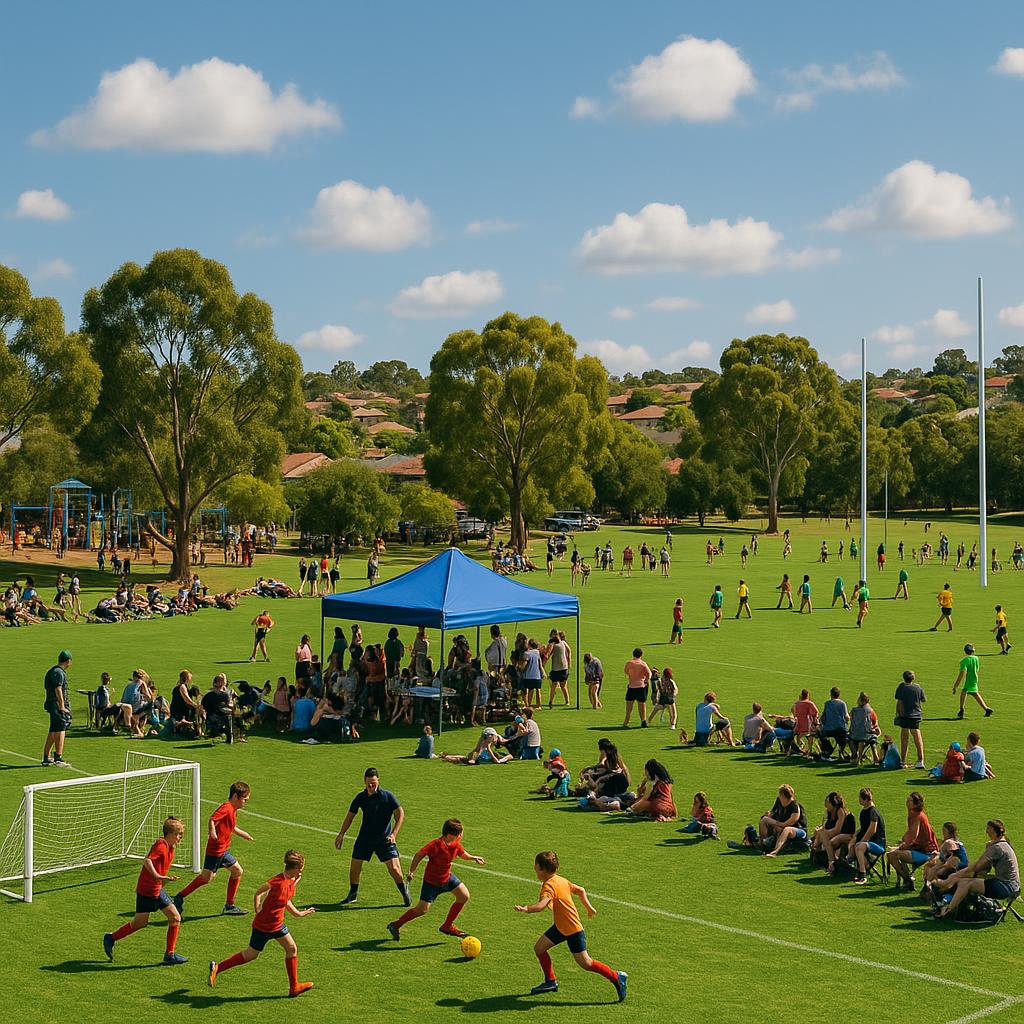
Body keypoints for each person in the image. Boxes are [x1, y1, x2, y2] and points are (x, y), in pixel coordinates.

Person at [514, 850, 627, 1001]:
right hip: (561, 927)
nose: (535, 870)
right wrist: (588, 908)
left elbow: (541, 905)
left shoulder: (549, 886)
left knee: (586, 963)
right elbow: (581, 890)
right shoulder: (561, 880)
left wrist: (526, 908)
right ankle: (550, 981)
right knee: (539, 948)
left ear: (541, 868)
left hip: (573, 930)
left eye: (535, 868)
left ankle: (617, 977)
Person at [208, 849, 315, 997]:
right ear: (295, 868)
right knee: (251, 954)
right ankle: (218, 968)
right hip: (263, 926)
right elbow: (259, 892)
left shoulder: (291, 880)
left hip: (277, 925)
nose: (301, 872)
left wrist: (300, 913)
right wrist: (257, 907)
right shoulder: (277, 882)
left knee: (291, 949)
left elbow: (286, 900)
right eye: (300, 869)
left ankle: (294, 987)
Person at [103, 816, 187, 966]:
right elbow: (147, 860)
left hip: (157, 890)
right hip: (147, 892)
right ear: (172, 834)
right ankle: (111, 938)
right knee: (140, 923)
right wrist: (157, 876)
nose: (180, 838)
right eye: (179, 835)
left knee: (175, 918)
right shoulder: (161, 845)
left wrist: (163, 880)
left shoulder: (170, 849)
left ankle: (169, 955)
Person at [387, 819, 486, 941]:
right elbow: (419, 855)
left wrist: (474, 858)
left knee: (464, 896)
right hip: (431, 883)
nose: (461, 836)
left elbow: (462, 853)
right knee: (421, 910)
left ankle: (447, 926)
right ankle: (395, 925)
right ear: (450, 835)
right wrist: (412, 871)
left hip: (447, 878)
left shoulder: (455, 844)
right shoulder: (435, 845)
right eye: (459, 834)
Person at [174, 781, 254, 916]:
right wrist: (212, 831)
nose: (245, 802)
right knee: (206, 878)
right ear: (236, 797)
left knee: (237, 871)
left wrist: (244, 835)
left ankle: (229, 905)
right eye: (244, 799)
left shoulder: (233, 810)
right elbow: (212, 819)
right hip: (216, 851)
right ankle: (179, 897)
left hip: (222, 851)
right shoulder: (227, 807)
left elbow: (232, 827)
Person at [334, 768, 410, 906]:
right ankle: (353, 894)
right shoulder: (361, 797)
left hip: (384, 839)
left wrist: (393, 834)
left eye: (373, 783)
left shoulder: (387, 796)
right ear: (364, 781)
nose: (371, 786)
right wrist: (341, 834)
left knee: (394, 869)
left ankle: (404, 891)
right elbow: (350, 815)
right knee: (355, 868)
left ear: (378, 781)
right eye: (368, 784)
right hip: (365, 838)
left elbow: (400, 813)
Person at [933, 820, 1020, 918]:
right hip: (1010, 885)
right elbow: (985, 869)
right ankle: (952, 906)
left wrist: (957, 874)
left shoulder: (997, 847)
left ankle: (948, 910)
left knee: (965, 883)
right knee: (964, 881)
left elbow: (977, 866)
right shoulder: (1003, 844)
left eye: (988, 829)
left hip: (1005, 886)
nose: (986, 832)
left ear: (995, 832)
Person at [887, 792, 939, 891]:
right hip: (919, 849)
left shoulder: (917, 815)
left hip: (927, 853)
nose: (906, 802)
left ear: (916, 803)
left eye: (909, 800)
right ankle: (907, 879)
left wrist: (901, 846)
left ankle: (907, 880)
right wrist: (903, 840)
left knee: (892, 855)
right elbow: (910, 833)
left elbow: (913, 837)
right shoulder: (914, 814)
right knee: (894, 853)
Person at [849, 787, 887, 885]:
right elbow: (863, 828)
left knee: (859, 847)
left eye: (860, 798)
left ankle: (863, 875)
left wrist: (862, 841)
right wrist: (855, 836)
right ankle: (857, 867)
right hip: (868, 842)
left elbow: (872, 829)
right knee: (853, 845)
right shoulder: (863, 811)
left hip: (877, 843)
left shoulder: (873, 812)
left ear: (866, 800)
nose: (859, 800)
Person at [42, 649, 73, 767]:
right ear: (68, 661)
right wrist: (62, 706)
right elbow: (58, 689)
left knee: (54, 730)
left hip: (52, 704)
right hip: (56, 705)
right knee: (61, 729)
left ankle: (46, 757)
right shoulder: (59, 672)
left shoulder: (53, 671)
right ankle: (58, 757)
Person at [759, 784, 808, 857]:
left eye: (780, 794)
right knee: (764, 820)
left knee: (786, 829)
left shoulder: (795, 807)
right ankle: (764, 843)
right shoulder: (779, 801)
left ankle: (775, 851)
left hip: (798, 830)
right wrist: (769, 815)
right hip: (781, 825)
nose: (779, 796)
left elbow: (788, 823)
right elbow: (773, 812)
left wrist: (776, 824)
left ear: (783, 796)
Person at [922, 822, 969, 891]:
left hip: (957, 866)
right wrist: (938, 854)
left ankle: (929, 889)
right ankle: (930, 889)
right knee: (929, 867)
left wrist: (942, 866)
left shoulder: (949, 842)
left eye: (944, 831)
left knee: (932, 870)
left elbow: (954, 855)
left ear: (949, 832)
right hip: (962, 864)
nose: (943, 833)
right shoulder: (956, 841)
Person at [894, 669, 926, 769]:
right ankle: (920, 760)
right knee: (917, 737)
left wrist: (899, 714)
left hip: (905, 715)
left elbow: (899, 702)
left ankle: (903, 761)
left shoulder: (902, 687)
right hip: (916, 715)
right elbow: (923, 699)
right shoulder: (918, 687)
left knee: (904, 738)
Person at [952, 643, 992, 719]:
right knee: (973, 694)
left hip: (969, 679)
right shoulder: (976, 658)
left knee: (965, 692)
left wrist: (955, 686)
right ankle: (986, 709)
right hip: (975, 678)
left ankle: (961, 710)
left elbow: (962, 674)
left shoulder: (964, 661)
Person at [622, 647, 651, 728]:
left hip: (631, 686)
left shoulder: (629, 663)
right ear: (641, 655)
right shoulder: (643, 664)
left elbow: (626, 671)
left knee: (629, 705)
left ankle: (626, 722)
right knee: (642, 704)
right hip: (641, 686)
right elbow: (649, 675)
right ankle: (643, 721)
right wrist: (645, 679)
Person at [849, 692, 880, 765]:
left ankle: (855, 756)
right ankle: (876, 759)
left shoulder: (854, 710)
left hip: (854, 734)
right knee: (873, 740)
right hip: (865, 735)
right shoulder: (870, 711)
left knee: (852, 740)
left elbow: (851, 720)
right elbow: (875, 723)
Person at [819, 687, 850, 761]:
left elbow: (823, 717)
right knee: (844, 739)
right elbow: (846, 717)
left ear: (831, 694)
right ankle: (841, 752)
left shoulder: (827, 703)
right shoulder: (842, 703)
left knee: (822, 735)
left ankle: (826, 751)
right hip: (840, 729)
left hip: (828, 729)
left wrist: (823, 724)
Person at [546, 629, 571, 708]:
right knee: (557, 685)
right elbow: (549, 653)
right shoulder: (557, 643)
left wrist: (569, 661)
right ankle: (552, 701)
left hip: (561, 668)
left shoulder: (559, 643)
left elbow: (569, 650)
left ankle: (566, 701)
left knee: (561, 686)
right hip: (558, 668)